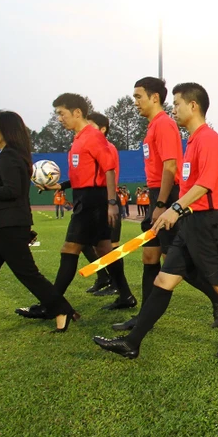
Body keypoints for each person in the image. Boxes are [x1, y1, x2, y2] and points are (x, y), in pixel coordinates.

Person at [94, 82, 218, 359]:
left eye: (177, 104)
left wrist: (175, 208)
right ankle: (132, 343)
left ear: (193, 106)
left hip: (209, 224)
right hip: (192, 224)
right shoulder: (192, 140)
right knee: (163, 280)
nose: (174, 109)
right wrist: (175, 213)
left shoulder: (207, 138)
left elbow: (206, 183)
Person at [113, 77, 218, 332]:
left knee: (175, 258)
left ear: (154, 98)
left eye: (138, 96)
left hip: (168, 196)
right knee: (151, 255)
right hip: (159, 194)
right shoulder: (154, 126)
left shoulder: (164, 124)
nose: (135, 102)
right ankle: (143, 317)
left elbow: (171, 166)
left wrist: (162, 203)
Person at [0, 111, 76, 340]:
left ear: (6, 130)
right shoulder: (8, 156)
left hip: (8, 226)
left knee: (27, 274)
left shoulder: (9, 157)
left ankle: (63, 309)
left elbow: (13, 191)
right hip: (0, 225)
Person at [16, 93, 134, 321]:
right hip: (86, 198)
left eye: (62, 113)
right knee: (105, 251)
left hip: (95, 202)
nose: (59, 118)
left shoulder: (93, 136)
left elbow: (108, 169)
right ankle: (126, 296)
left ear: (77, 112)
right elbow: (83, 176)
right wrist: (58, 186)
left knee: (69, 249)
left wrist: (111, 203)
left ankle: (51, 304)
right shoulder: (79, 138)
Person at [85, 112, 135, 311]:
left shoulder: (107, 147)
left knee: (110, 247)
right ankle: (104, 278)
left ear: (103, 129)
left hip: (107, 202)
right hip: (96, 202)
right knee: (89, 245)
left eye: (91, 126)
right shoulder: (93, 147)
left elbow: (109, 173)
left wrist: (111, 202)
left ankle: (117, 287)